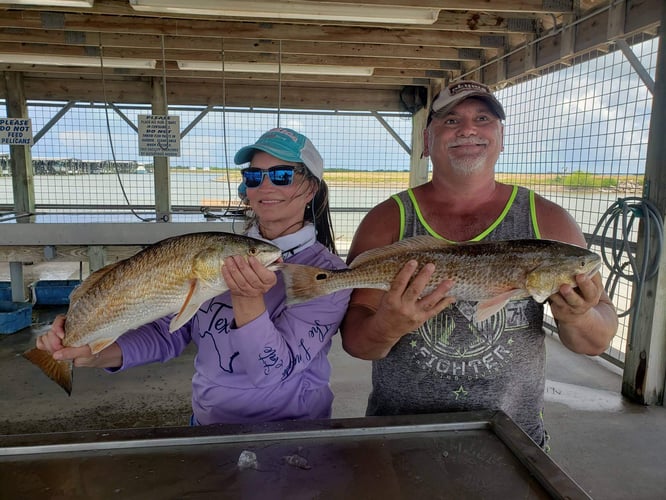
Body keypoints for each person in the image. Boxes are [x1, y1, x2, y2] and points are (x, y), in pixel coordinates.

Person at [340, 80, 618, 448]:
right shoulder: (386, 219)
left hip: (513, 437)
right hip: (399, 432)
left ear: (502, 137)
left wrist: (579, 316)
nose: (468, 129)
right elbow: (357, 344)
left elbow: (595, 342)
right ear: (427, 140)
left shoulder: (549, 221)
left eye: (483, 118)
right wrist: (387, 326)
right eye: (451, 120)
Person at [36, 127, 351, 425]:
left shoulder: (329, 275)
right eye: (254, 176)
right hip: (206, 425)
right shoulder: (219, 255)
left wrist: (247, 299)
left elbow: (271, 372)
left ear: (310, 188)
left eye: (282, 176)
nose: (265, 186)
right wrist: (94, 354)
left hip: (295, 433)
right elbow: (166, 334)